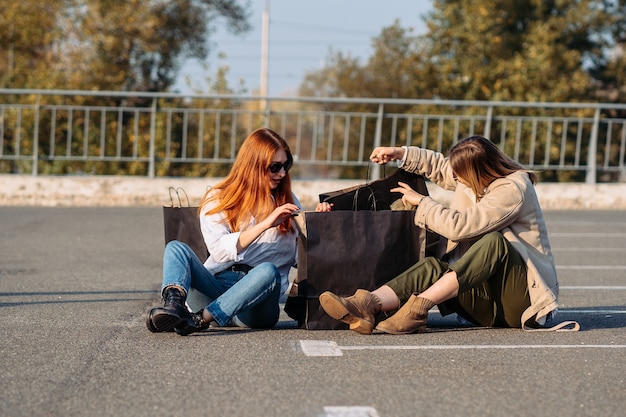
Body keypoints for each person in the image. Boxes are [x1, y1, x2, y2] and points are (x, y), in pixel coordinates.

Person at [317, 135, 577, 334]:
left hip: (522, 305)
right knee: (434, 267)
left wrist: (422, 203)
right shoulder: (475, 179)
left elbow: (460, 226)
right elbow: (442, 168)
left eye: (459, 176)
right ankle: (367, 304)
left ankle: (418, 310)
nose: (454, 179)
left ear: (477, 172)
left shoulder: (513, 189)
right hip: (485, 302)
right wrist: (400, 153)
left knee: (494, 243)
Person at [146, 128, 301, 336]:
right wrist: (265, 224)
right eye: (275, 167)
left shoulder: (288, 201)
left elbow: (302, 259)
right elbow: (219, 252)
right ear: (253, 165)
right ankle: (174, 306)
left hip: (257, 304)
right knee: (176, 248)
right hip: (216, 289)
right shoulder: (219, 198)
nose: (282, 173)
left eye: (286, 165)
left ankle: (201, 319)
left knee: (268, 271)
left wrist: (320, 224)